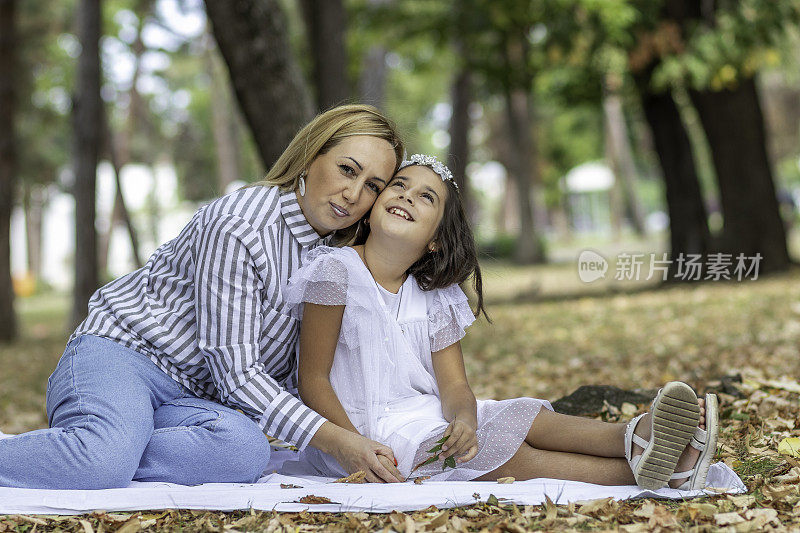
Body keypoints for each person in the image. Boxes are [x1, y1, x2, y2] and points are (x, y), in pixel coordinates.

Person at [0, 104, 408, 489]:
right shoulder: (239, 225)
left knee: (245, 452)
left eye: (372, 185)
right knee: (102, 462)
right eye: (346, 169)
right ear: (309, 157)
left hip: (194, 401)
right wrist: (336, 441)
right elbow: (237, 375)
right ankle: (101, 445)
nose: (353, 194)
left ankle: (113, 438)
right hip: (125, 357)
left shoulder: (343, 257)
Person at [285, 154, 719, 489]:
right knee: (499, 456)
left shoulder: (433, 297)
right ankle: (642, 474)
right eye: (399, 185)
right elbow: (314, 380)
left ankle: (637, 433)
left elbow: (455, 388)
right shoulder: (336, 272)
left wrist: (466, 419)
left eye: (425, 196)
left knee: (526, 419)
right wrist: (351, 446)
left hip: (423, 416)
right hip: (358, 432)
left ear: (436, 239)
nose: (405, 196)